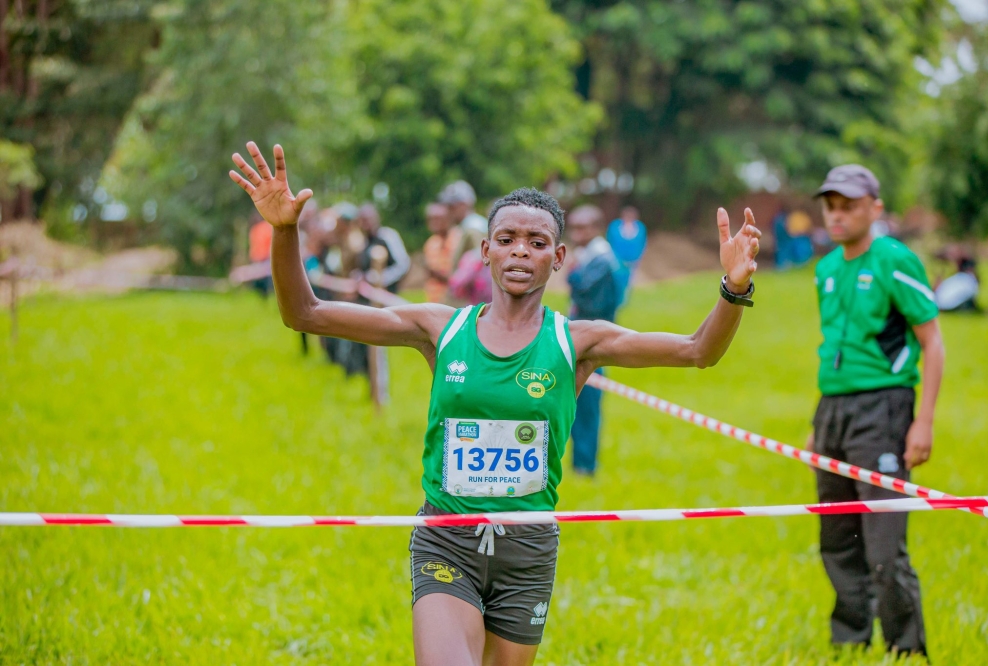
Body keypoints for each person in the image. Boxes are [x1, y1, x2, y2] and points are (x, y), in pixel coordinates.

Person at [230, 142, 760, 666]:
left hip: (527, 553)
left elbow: (698, 351)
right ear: (486, 251)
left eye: (537, 242)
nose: (520, 251)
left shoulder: (578, 341)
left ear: (558, 258)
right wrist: (284, 230)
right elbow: (304, 313)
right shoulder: (440, 327)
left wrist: (733, 288)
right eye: (506, 239)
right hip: (446, 542)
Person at [806, 164, 944, 658]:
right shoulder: (825, 269)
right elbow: (834, 349)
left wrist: (923, 421)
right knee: (837, 535)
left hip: (883, 409)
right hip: (833, 409)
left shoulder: (895, 260)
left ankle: (906, 648)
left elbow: (932, 341)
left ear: (875, 208)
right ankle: (850, 639)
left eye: (849, 206)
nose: (837, 215)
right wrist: (818, 425)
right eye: (831, 206)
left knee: (884, 545)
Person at [564, 205, 623, 476]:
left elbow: (587, 294)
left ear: (597, 228)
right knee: (573, 402)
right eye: (574, 227)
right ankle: (577, 462)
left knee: (587, 404)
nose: (577, 233)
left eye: (583, 228)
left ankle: (585, 465)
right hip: (581, 336)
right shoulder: (588, 255)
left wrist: (573, 274)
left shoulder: (602, 260)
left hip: (594, 341)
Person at [441, 180, 489, 269]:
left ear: (463, 205)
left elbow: (482, 264)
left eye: (451, 206)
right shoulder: (468, 226)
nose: (448, 211)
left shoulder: (474, 227)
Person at [423, 202, 460, 303]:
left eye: (438, 218)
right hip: (435, 300)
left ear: (449, 218)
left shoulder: (459, 239)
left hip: (456, 302)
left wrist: (439, 275)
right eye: (431, 219)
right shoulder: (431, 243)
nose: (434, 222)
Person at [606, 205, 647, 283]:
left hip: (634, 260)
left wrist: (640, 256)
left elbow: (643, 243)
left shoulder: (640, 227)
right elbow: (609, 241)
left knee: (630, 280)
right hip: (617, 259)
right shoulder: (615, 226)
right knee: (616, 279)